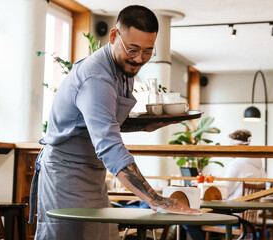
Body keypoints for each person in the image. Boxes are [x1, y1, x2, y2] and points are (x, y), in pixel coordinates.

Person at [30, 5, 199, 240]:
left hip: (94, 174)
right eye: (133, 50)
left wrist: (146, 125)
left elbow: (106, 122)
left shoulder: (123, 68)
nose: (139, 59)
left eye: (148, 52)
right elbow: (109, 144)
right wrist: (155, 199)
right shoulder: (96, 78)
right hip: (66, 175)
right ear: (113, 36)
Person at [224, 129, 267, 200]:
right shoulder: (259, 165)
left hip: (236, 208)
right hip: (256, 209)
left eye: (230, 146)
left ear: (236, 146)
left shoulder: (237, 164)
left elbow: (224, 191)